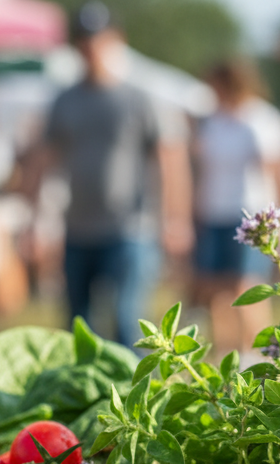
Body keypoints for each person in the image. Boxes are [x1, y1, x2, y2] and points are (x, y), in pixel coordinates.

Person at [28, 2, 193, 348]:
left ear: (116, 41)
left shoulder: (138, 99)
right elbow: (43, 161)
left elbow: (169, 161)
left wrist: (175, 219)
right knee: (78, 325)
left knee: (126, 319)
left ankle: (133, 384)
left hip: (130, 230)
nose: (92, 49)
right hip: (78, 228)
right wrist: (35, 221)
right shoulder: (65, 100)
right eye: (85, 41)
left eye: (99, 40)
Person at [192, 58, 280, 360]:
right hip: (214, 210)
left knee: (246, 286)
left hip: (251, 213)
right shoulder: (212, 122)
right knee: (215, 288)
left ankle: (256, 353)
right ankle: (227, 353)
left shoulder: (262, 118)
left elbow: (278, 172)